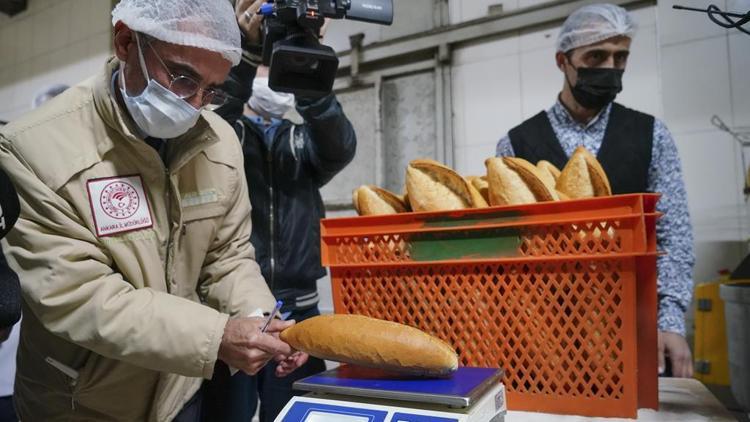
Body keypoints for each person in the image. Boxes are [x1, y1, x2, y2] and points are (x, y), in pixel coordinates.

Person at [0, 0, 309, 420]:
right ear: (126, 41)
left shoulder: (219, 142)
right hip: (82, 402)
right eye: (183, 78)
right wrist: (216, 336)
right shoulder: (33, 148)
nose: (195, 103)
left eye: (213, 90)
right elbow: (80, 296)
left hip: (180, 391)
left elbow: (227, 255)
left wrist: (258, 316)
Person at [496, 4, 695, 377]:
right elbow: (510, 251)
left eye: (620, 57)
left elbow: (674, 233)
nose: (609, 68)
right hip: (547, 336)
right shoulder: (515, 145)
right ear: (563, 61)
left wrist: (670, 321)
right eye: (595, 56)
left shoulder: (651, 135)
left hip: (637, 326)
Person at [201, 1, 357, 420]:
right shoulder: (226, 137)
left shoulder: (299, 142)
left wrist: (307, 61)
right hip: (229, 308)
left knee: (297, 412)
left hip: (300, 310)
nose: (269, 78)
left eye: (277, 69)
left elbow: (339, 146)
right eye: (263, 69)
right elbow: (212, 120)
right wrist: (246, 51)